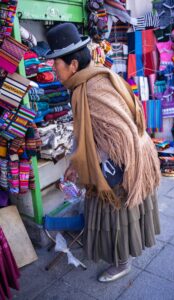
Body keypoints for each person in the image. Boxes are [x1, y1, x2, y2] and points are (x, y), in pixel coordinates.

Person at [46, 23, 161, 283]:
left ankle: (122, 263)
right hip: (122, 159)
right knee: (110, 215)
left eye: (57, 64)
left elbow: (119, 134)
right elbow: (92, 132)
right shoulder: (92, 78)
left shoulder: (91, 90)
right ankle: (120, 257)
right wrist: (79, 164)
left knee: (115, 217)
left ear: (73, 65)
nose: (54, 69)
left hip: (120, 165)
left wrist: (88, 165)